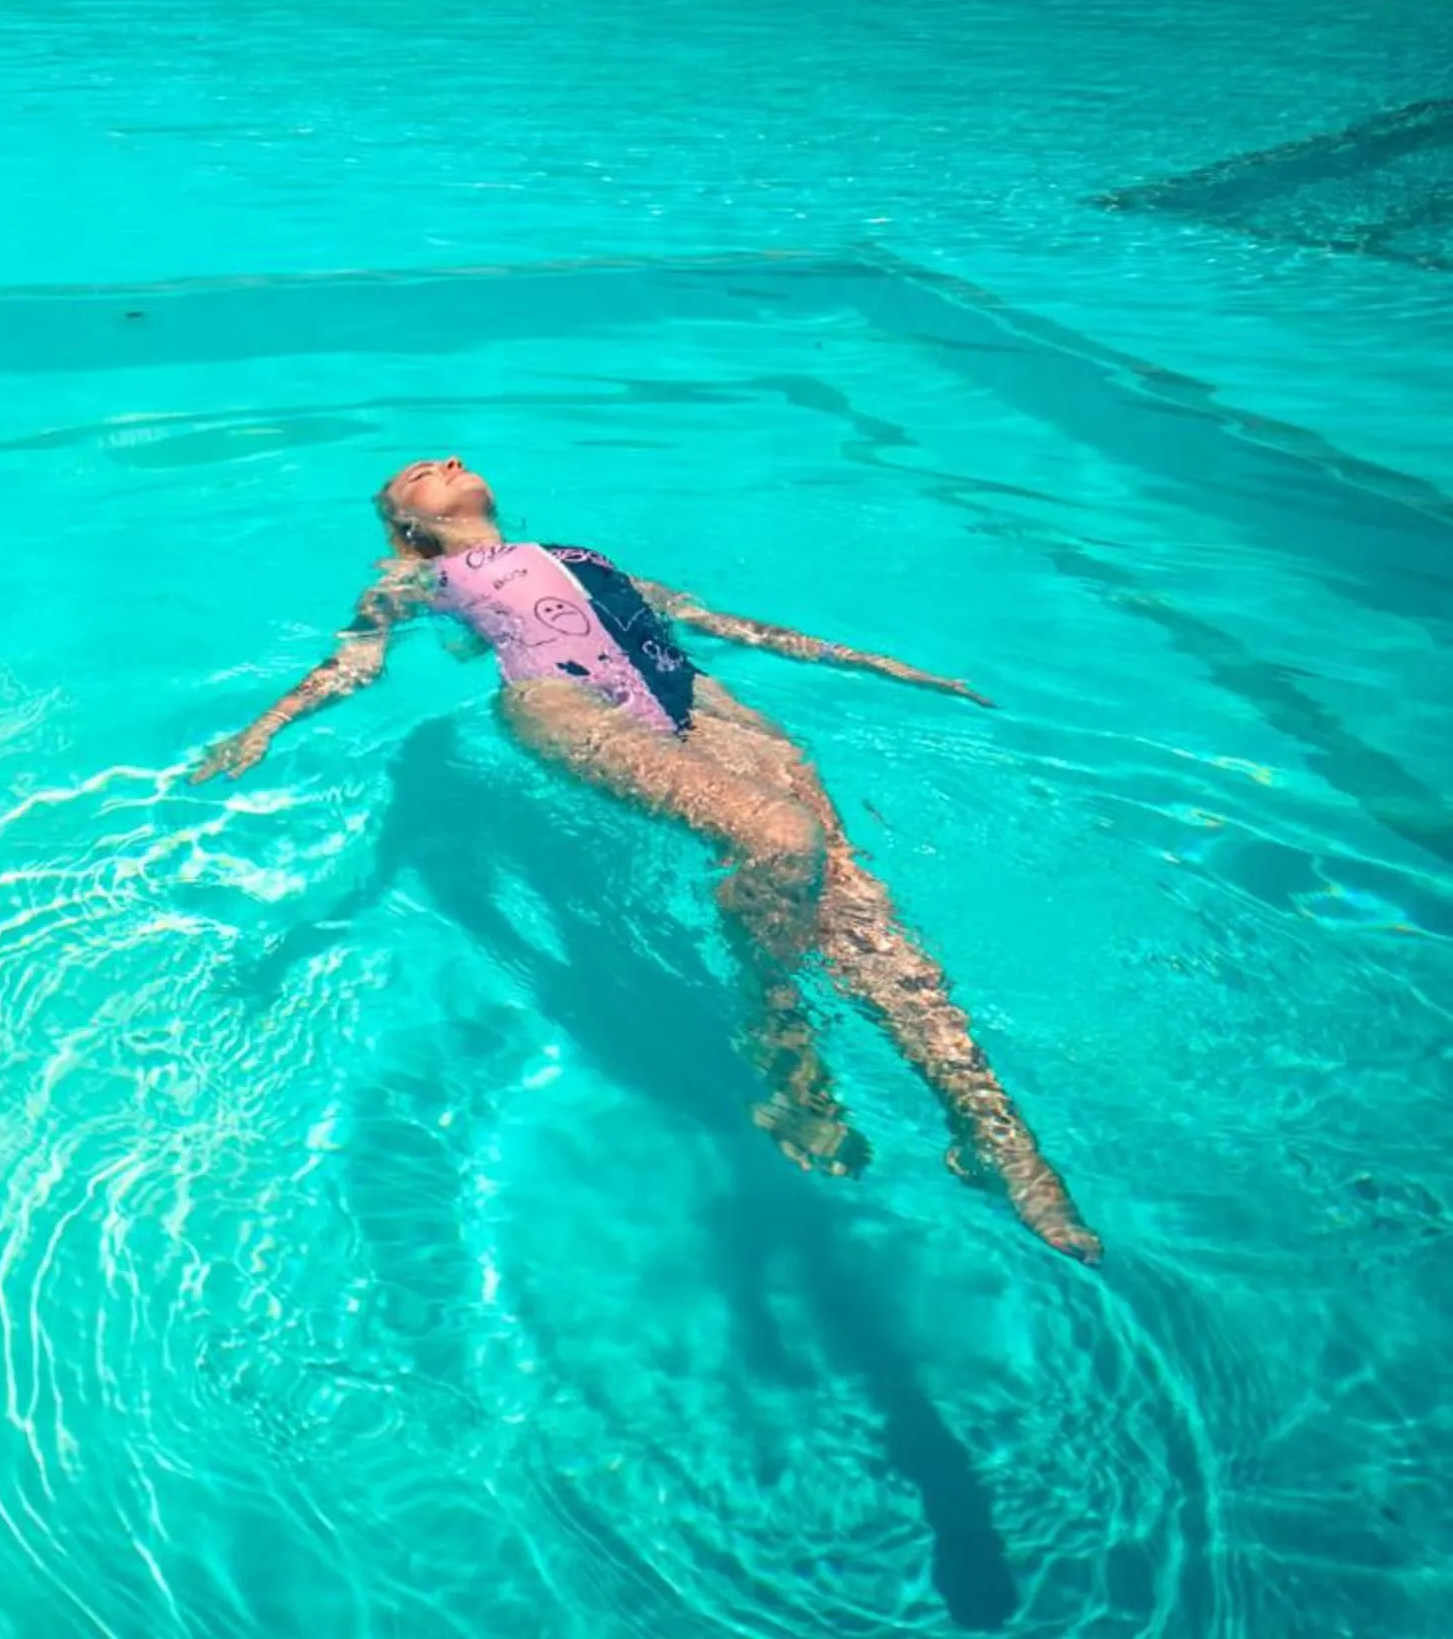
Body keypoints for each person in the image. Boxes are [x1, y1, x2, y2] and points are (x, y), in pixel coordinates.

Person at [190, 455, 1100, 1264]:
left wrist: (886, 667)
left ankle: (993, 1131)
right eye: (416, 472)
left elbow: (729, 626)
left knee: (858, 909)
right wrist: (261, 729)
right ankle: (775, 1029)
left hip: (699, 697)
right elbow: (355, 666)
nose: (449, 457)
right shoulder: (410, 578)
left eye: (450, 456)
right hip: (564, 705)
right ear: (409, 526)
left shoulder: (585, 560)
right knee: (781, 839)